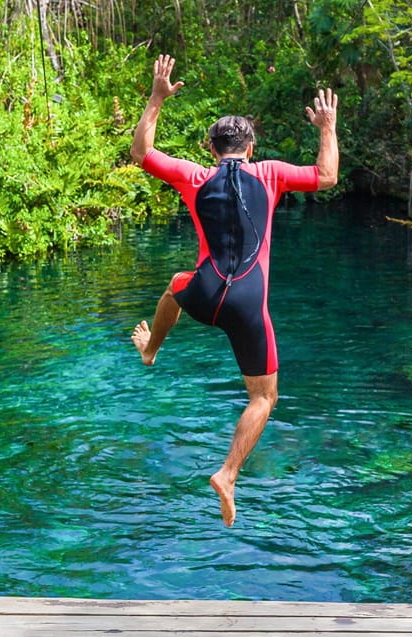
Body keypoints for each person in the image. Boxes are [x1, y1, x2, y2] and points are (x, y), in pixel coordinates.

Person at [129, 54, 339, 527]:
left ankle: (151, 351)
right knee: (264, 398)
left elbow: (141, 154)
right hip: (247, 305)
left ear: (211, 146)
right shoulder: (269, 174)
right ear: (252, 147)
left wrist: (157, 99)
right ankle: (227, 474)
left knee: (175, 286)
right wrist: (326, 126)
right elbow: (327, 176)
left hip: (203, 294)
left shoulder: (195, 176)